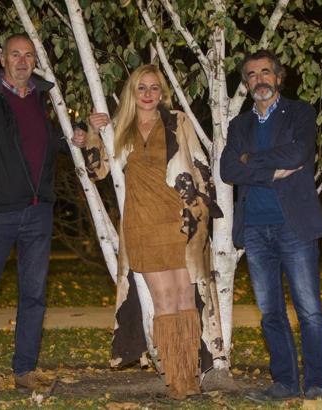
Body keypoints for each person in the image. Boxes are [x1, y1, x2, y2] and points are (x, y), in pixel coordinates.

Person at [0, 33, 86, 395]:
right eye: (15, 54)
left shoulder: (44, 97)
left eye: (28, 55)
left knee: (34, 295)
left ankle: (25, 369)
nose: (22, 61)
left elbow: (44, 142)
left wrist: (74, 137)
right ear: (2, 59)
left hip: (38, 213)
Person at [85, 64, 225, 400]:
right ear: (132, 93)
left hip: (178, 222)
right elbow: (97, 171)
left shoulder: (177, 120)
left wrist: (202, 211)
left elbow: (200, 163)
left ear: (162, 93)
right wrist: (91, 131)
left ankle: (191, 375)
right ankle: (175, 380)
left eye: (154, 88)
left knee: (184, 298)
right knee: (164, 301)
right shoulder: (120, 126)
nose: (148, 94)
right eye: (141, 88)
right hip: (142, 224)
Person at [220, 50, 322, 401]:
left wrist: (250, 159)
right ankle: (284, 383)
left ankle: (315, 384)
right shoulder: (239, 125)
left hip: (294, 226)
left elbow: (299, 155)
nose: (259, 80)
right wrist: (269, 171)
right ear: (247, 82)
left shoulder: (299, 112)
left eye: (265, 72)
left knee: (309, 310)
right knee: (270, 313)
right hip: (254, 229)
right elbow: (227, 170)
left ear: (278, 77)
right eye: (252, 75)